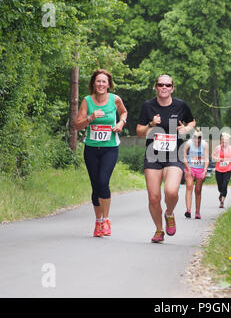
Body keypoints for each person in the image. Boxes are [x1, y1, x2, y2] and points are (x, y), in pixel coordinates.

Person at [136, 74, 196, 243]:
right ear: (155, 87)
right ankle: (159, 229)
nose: (164, 87)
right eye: (161, 84)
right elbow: (139, 132)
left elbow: (192, 122)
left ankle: (169, 213)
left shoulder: (180, 105)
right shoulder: (148, 106)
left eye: (167, 85)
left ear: (172, 88)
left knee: (171, 191)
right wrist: (151, 125)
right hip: (153, 156)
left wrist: (186, 129)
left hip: (174, 154)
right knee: (154, 197)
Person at [75, 69, 128, 237]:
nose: (101, 84)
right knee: (95, 186)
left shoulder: (115, 99)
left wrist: (121, 123)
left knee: (103, 182)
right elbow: (77, 125)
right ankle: (98, 222)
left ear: (109, 85)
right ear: (93, 83)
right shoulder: (87, 101)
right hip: (91, 148)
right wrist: (90, 118)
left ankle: (106, 220)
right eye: (98, 81)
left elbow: (124, 112)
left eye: (104, 82)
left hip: (110, 148)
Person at [183, 128, 209, 220]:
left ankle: (197, 212)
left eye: (199, 138)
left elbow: (206, 159)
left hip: (200, 169)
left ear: (201, 138)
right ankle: (188, 210)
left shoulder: (204, 144)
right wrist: (188, 169)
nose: (197, 140)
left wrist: (205, 170)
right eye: (195, 138)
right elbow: (184, 157)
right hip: (190, 168)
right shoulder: (188, 143)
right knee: (189, 186)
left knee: (198, 190)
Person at [212, 133, 231, 209]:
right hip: (218, 169)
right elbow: (213, 156)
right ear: (221, 141)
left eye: (226, 142)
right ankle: (221, 194)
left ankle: (222, 202)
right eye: (223, 141)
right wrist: (218, 159)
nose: (225, 143)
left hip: (227, 169)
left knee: (225, 185)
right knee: (220, 186)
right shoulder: (218, 148)